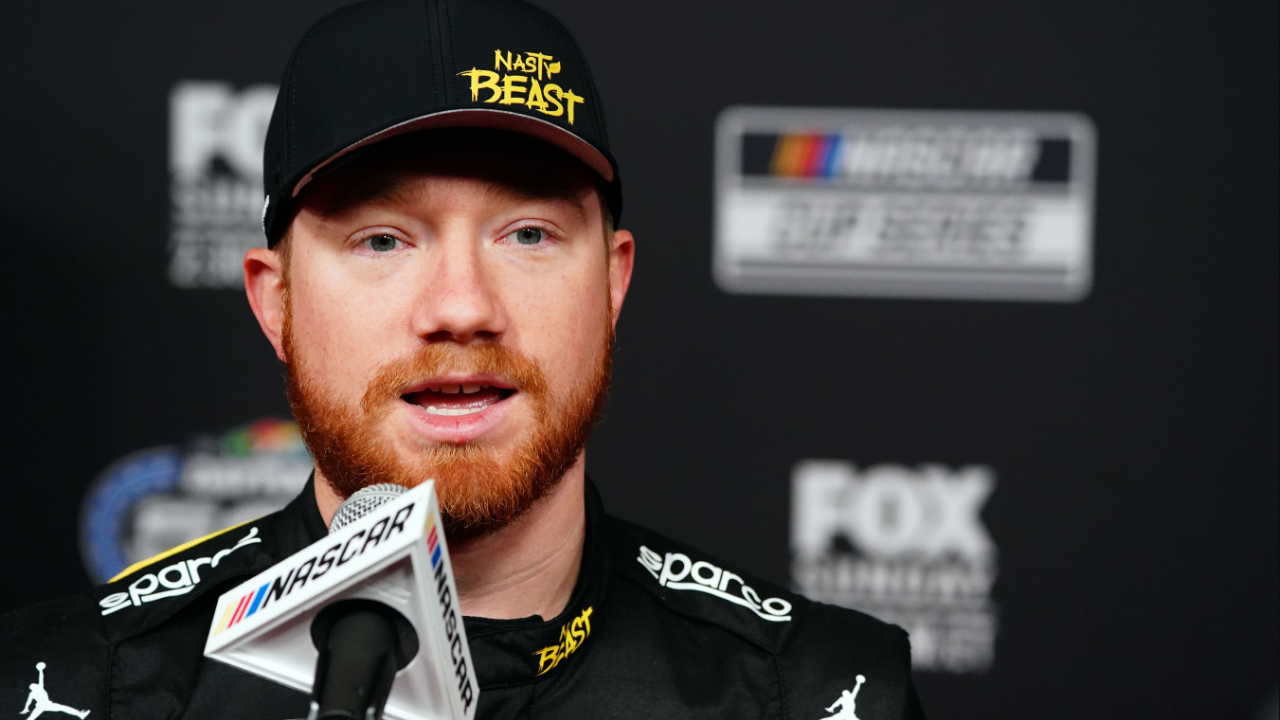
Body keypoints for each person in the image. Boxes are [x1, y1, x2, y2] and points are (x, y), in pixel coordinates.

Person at [0, 0, 927, 717]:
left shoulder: (815, 693)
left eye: (525, 233)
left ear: (612, 284)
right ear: (275, 301)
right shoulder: (73, 688)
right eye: (381, 241)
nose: (459, 307)